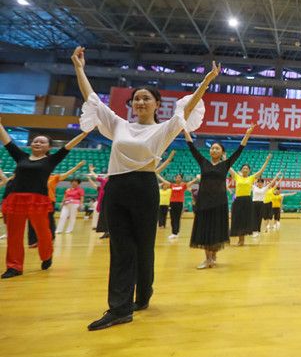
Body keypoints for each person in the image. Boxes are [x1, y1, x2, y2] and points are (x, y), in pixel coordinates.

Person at [73, 46, 215, 330]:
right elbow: (92, 100)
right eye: (136, 99)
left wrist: (206, 82)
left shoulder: (161, 130)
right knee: (121, 248)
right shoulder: (119, 125)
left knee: (144, 247)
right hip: (117, 188)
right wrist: (79, 68)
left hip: (144, 187)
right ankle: (119, 308)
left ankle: (144, 294)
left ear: (156, 104)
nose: (139, 102)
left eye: (145, 98)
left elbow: (186, 109)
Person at [0, 121, 89, 279]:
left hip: (38, 200)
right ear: (31, 144)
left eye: (42, 141)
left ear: (49, 148)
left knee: (43, 233)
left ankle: (47, 255)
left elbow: (67, 147)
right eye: (35, 141)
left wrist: (83, 134)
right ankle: (14, 267)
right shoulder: (21, 156)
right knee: (14, 235)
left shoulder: (51, 160)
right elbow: (7, 141)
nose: (38, 143)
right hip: (16, 199)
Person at [184, 127, 254, 268]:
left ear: (222, 152)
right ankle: (207, 259)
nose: (214, 150)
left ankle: (213, 254)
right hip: (204, 202)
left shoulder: (225, 164)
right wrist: (185, 130)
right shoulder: (203, 162)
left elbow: (239, 150)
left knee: (215, 229)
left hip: (219, 203)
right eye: (212, 148)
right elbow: (191, 147)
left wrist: (247, 135)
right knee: (204, 229)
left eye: (217, 149)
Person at [29, 159, 85, 247]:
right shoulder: (36, 177)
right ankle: (34, 240)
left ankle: (51, 238)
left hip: (49, 201)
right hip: (37, 201)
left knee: (49, 220)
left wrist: (77, 167)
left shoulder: (54, 177)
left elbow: (66, 174)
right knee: (34, 220)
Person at [228, 158, 271, 246]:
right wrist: (225, 159)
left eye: (247, 168)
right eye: (243, 168)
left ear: (249, 171)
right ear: (241, 170)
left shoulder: (252, 178)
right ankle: (237, 239)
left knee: (244, 221)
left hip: (247, 201)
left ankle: (241, 241)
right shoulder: (237, 176)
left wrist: (266, 161)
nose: (245, 169)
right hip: (238, 201)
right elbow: (229, 167)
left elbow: (261, 171)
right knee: (236, 220)